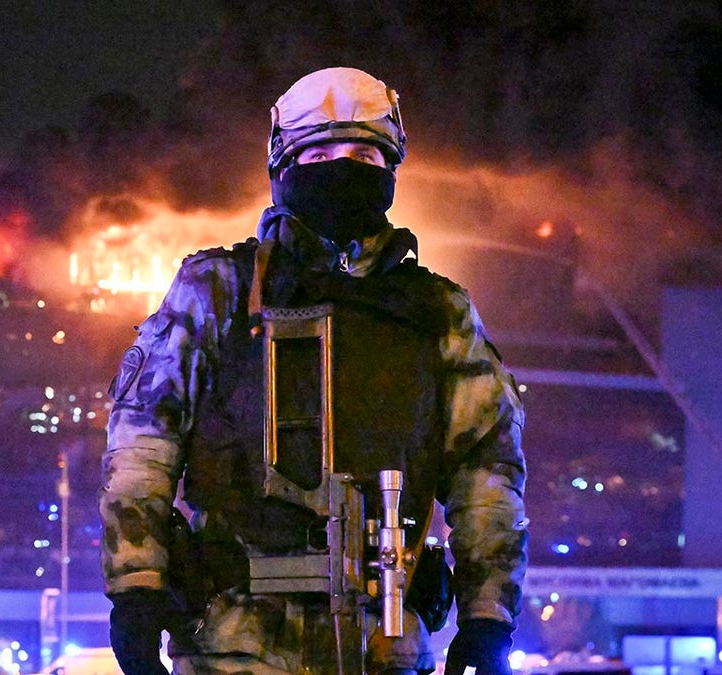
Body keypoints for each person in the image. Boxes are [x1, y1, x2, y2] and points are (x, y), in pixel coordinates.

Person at [98, 67, 528, 675]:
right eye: (319, 152)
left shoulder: (439, 311)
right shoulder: (217, 291)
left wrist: (488, 619)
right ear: (281, 167)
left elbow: (488, 470)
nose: (341, 167)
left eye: (362, 153)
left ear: (391, 171)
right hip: (233, 639)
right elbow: (143, 445)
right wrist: (136, 588)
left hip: (387, 637)